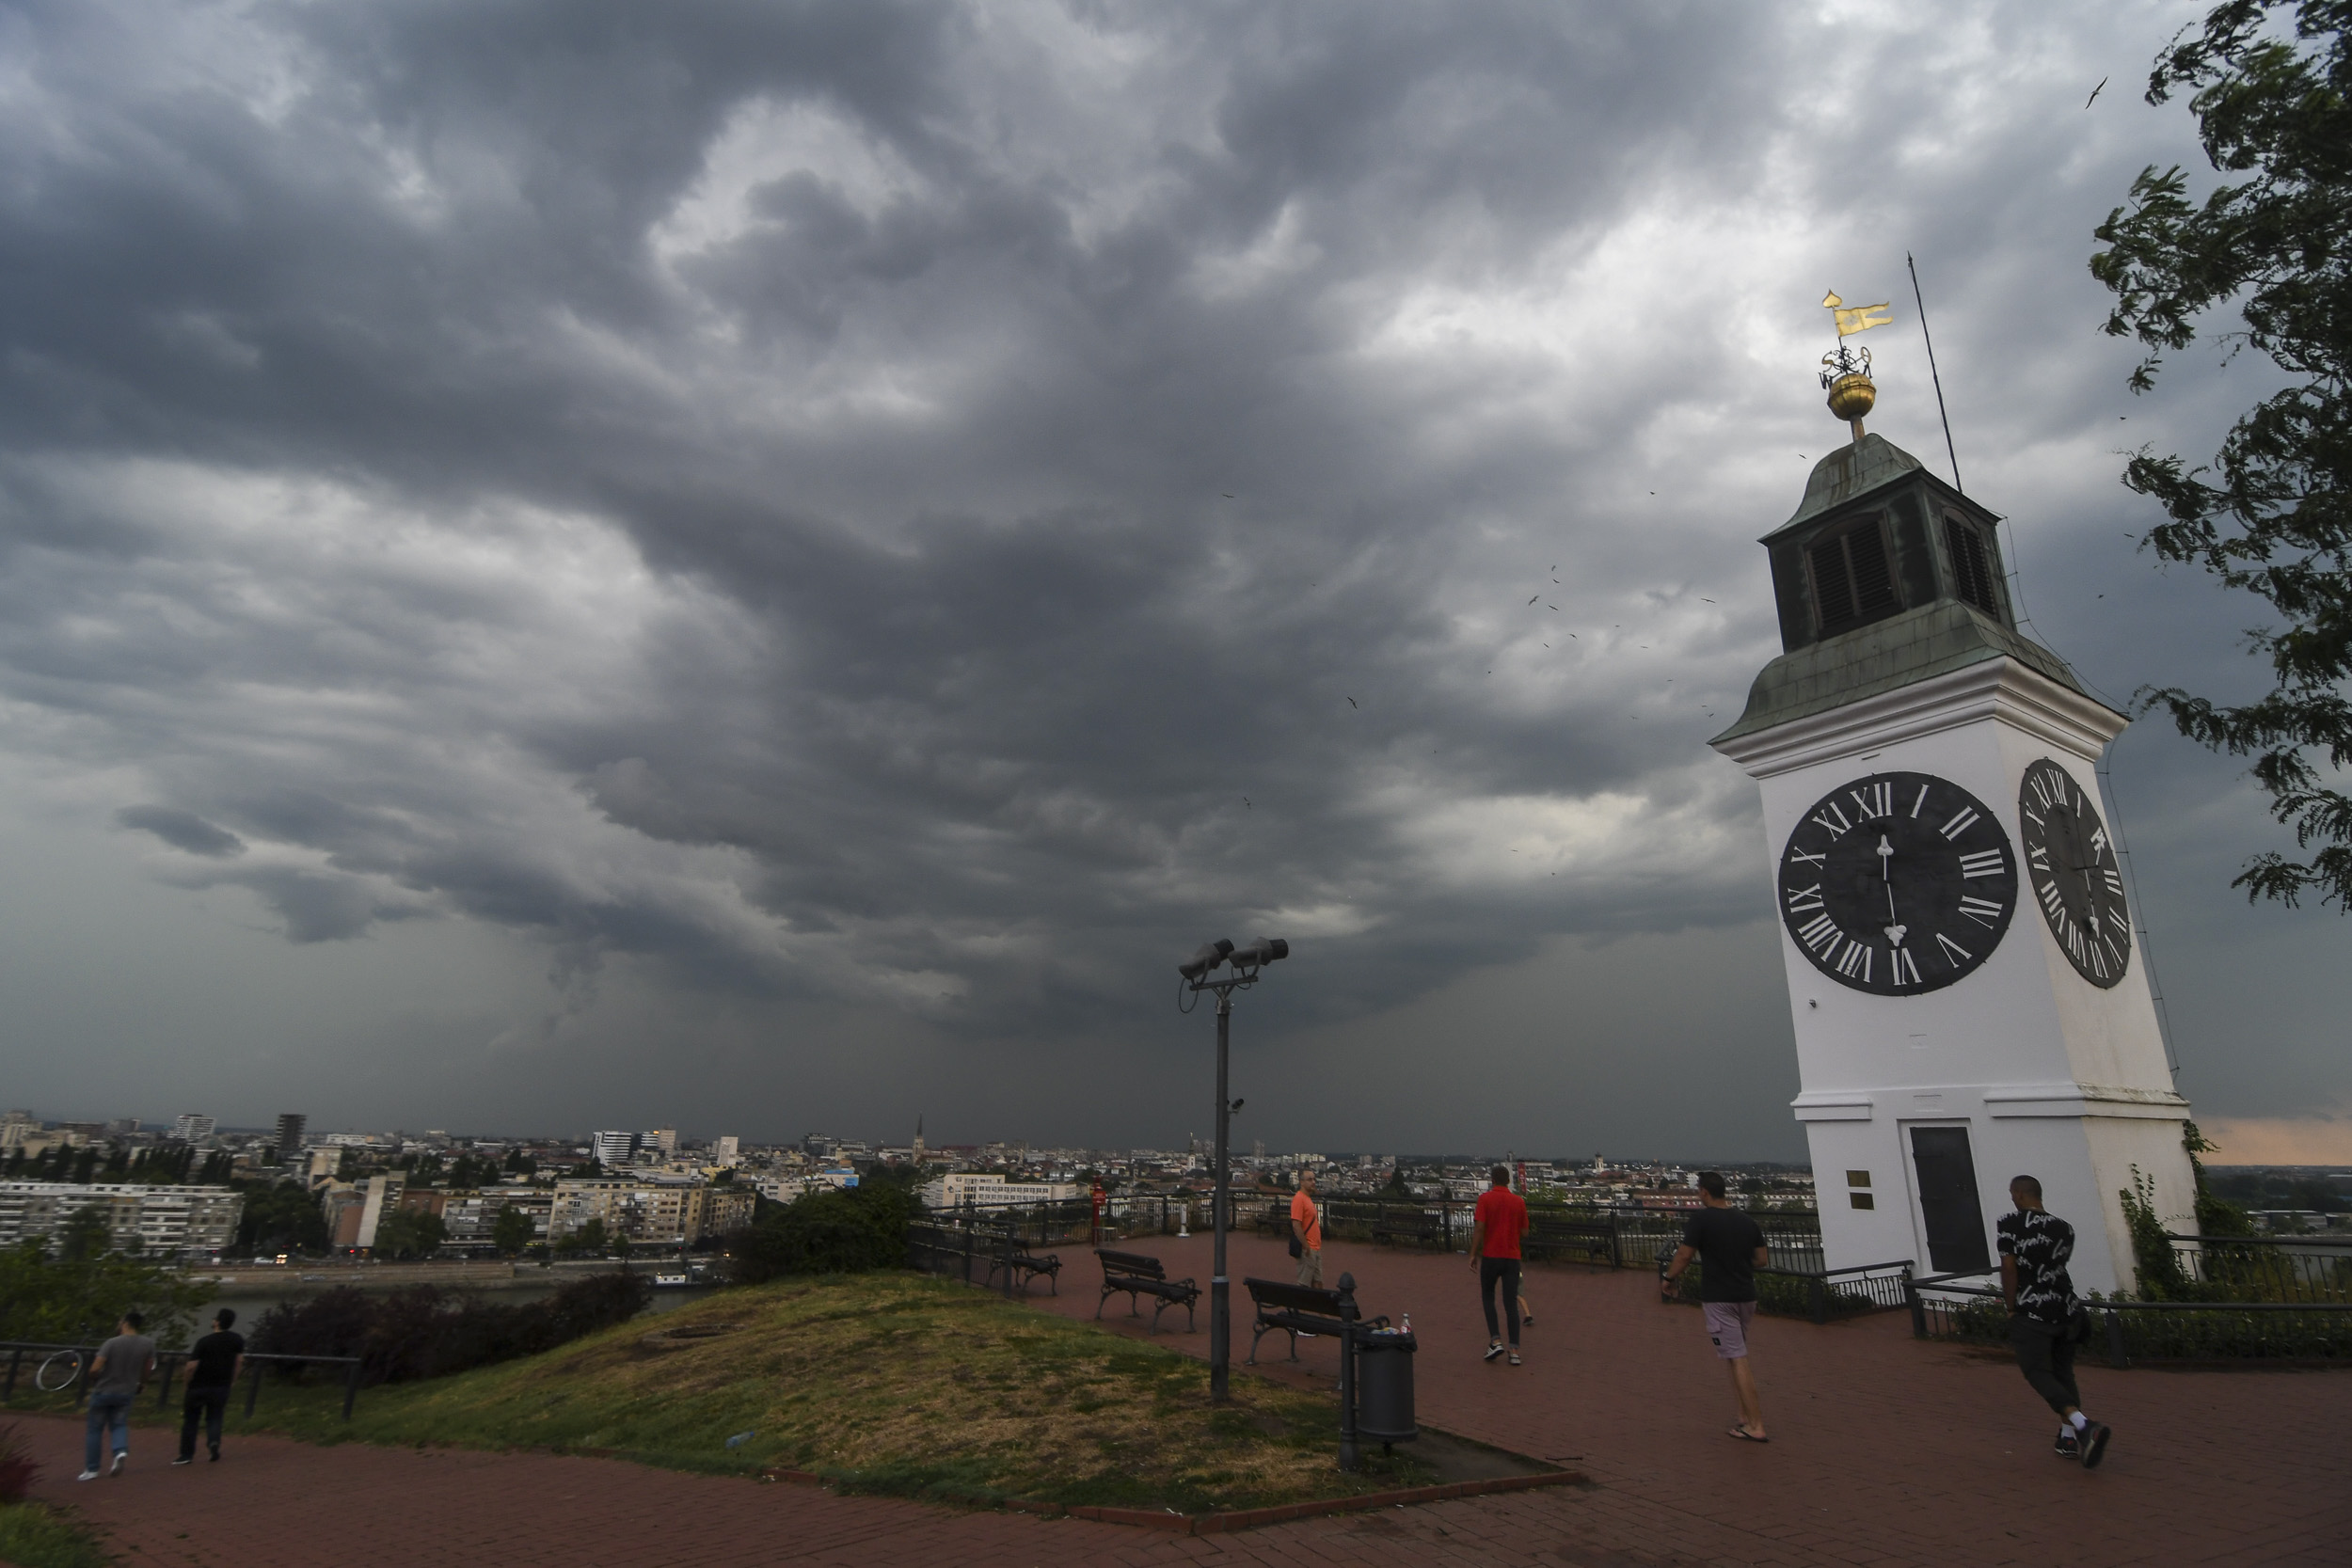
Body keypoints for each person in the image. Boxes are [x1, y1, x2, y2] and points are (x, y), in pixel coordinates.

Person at [1999, 1175, 2111, 1468]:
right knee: (2063, 1372)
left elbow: (2009, 1267)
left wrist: (2010, 1306)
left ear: (2021, 1194)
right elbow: (2056, 1267)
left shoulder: (2009, 1223)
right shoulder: (2065, 1229)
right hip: (2066, 1307)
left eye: (2013, 1193)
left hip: (2031, 1311)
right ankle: (2069, 1438)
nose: (2012, 1198)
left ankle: (2085, 1425)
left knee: (2036, 1371)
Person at [1661, 1172, 1770, 1441]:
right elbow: (1762, 1259)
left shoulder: (1701, 1220)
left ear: (1705, 1193)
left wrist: (1668, 1278)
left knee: (1737, 1357)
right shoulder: (1746, 1221)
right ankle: (1744, 1416)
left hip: (1719, 1298)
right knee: (1734, 1355)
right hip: (1746, 1295)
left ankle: (1756, 1425)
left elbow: (1685, 1255)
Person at [80, 1311, 156, 1481]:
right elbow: (148, 1368)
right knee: (119, 1424)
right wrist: (142, 1383)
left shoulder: (111, 1343)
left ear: (126, 1323)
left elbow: (95, 1368)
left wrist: (95, 1378)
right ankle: (120, 1451)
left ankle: (92, 1469)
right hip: (127, 1391)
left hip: (104, 1390)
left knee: (95, 1429)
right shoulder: (148, 1344)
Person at [1470, 1164, 1529, 1364]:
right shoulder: (1518, 1202)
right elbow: (1524, 1232)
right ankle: (1515, 1351)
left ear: (1493, 1180)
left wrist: (1473, 1254)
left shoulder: (1485, 1199)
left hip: (1491, 1255)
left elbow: (1479, 1227)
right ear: (1509, 1181)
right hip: (1512, 1257)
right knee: (1510, 1302)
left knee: (1488, 1296)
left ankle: (1496, 1340)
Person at [175, 1309, 246, 1465]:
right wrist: (233, 1380)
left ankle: (186, 1454)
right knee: (215, 1416)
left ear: (217, 1322)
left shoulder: (204, 1341)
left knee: (191, 1420)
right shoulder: (237, 1340)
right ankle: (213, 1442)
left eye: (215, 1318)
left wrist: (186, 1383)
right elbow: (239, 1361)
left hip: (199, 1386)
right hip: (221, 1386)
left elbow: (191, 1366)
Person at [1290, 1168, 1324, 1290]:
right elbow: (1296, 1225)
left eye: (1314, 1179)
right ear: (1301, 1182)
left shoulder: (1307, 1199)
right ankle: (1298, 1306)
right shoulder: (1299, 1199)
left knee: (1317, 1283)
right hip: (1309, 1248)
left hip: (1315, 1247)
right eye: (1310, 1179)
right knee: (1304, 1284)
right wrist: (1306, 1246)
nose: (1313, 1182)